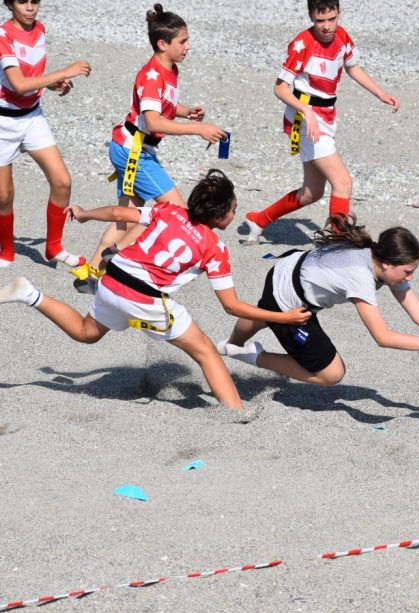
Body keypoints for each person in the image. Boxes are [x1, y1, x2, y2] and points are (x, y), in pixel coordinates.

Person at [0, 170, 311, 410]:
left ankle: (30, 294)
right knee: (206, 353)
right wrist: (281, 317)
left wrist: (84, 213)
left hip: (111, 279)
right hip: (146, 299)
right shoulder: (215, 248)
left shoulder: (169, 211)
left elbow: (121, 214)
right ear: (219, 216)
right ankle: (235, 412)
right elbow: (231, 306)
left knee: (86, 332)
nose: (234, 214)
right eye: (233, 210)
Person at [220, 212, 419, 387]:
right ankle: (253, 355)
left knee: (265, 310)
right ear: (386, 263)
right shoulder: (360, 277)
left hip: (285, 268)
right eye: (407, 272)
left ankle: (228, 346)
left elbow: (417, 312)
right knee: (331, 375)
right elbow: (382, 338)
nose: (410, 278)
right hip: (290, 302)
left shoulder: (375, 254)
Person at [78, 3, 226, 290]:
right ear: (162, 43)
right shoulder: (151, 75)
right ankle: (116, 257)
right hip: (134, 152)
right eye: (182, 41)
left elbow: (163, 106)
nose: (188, 46)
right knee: (175, 208)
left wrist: (186, 113)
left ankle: (90, 273)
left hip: (132, 148)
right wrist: (199, 129)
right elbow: (154, 122)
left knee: (128, 214)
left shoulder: (169, 70)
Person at [240, 0, 399, 245]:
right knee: (343, 182)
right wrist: (306, 111)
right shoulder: (301, 44)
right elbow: (280, 88)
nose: (326, 27)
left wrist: (380, 93)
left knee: (311, 193)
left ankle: (259, 219)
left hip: (326, 115)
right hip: (305, 118)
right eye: (319, 21)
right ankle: (337, 245)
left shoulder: (342, 35)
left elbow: (352, 67)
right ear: (311, 17)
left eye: (331, 19)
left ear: (339, 14)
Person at [0, 0, 91, 269]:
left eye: (35, 1)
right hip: (3, 122)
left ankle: (54, 247)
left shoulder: (40, 29)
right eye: (22, 1)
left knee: (62, 181)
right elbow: (17, 83)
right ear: (8, 4)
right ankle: (6, 250)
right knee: (3, 196)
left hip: (32, 117)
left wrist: (53, 84)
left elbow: (31, 77)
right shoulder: (3, 35)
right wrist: (63, 72)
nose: (30, 7)